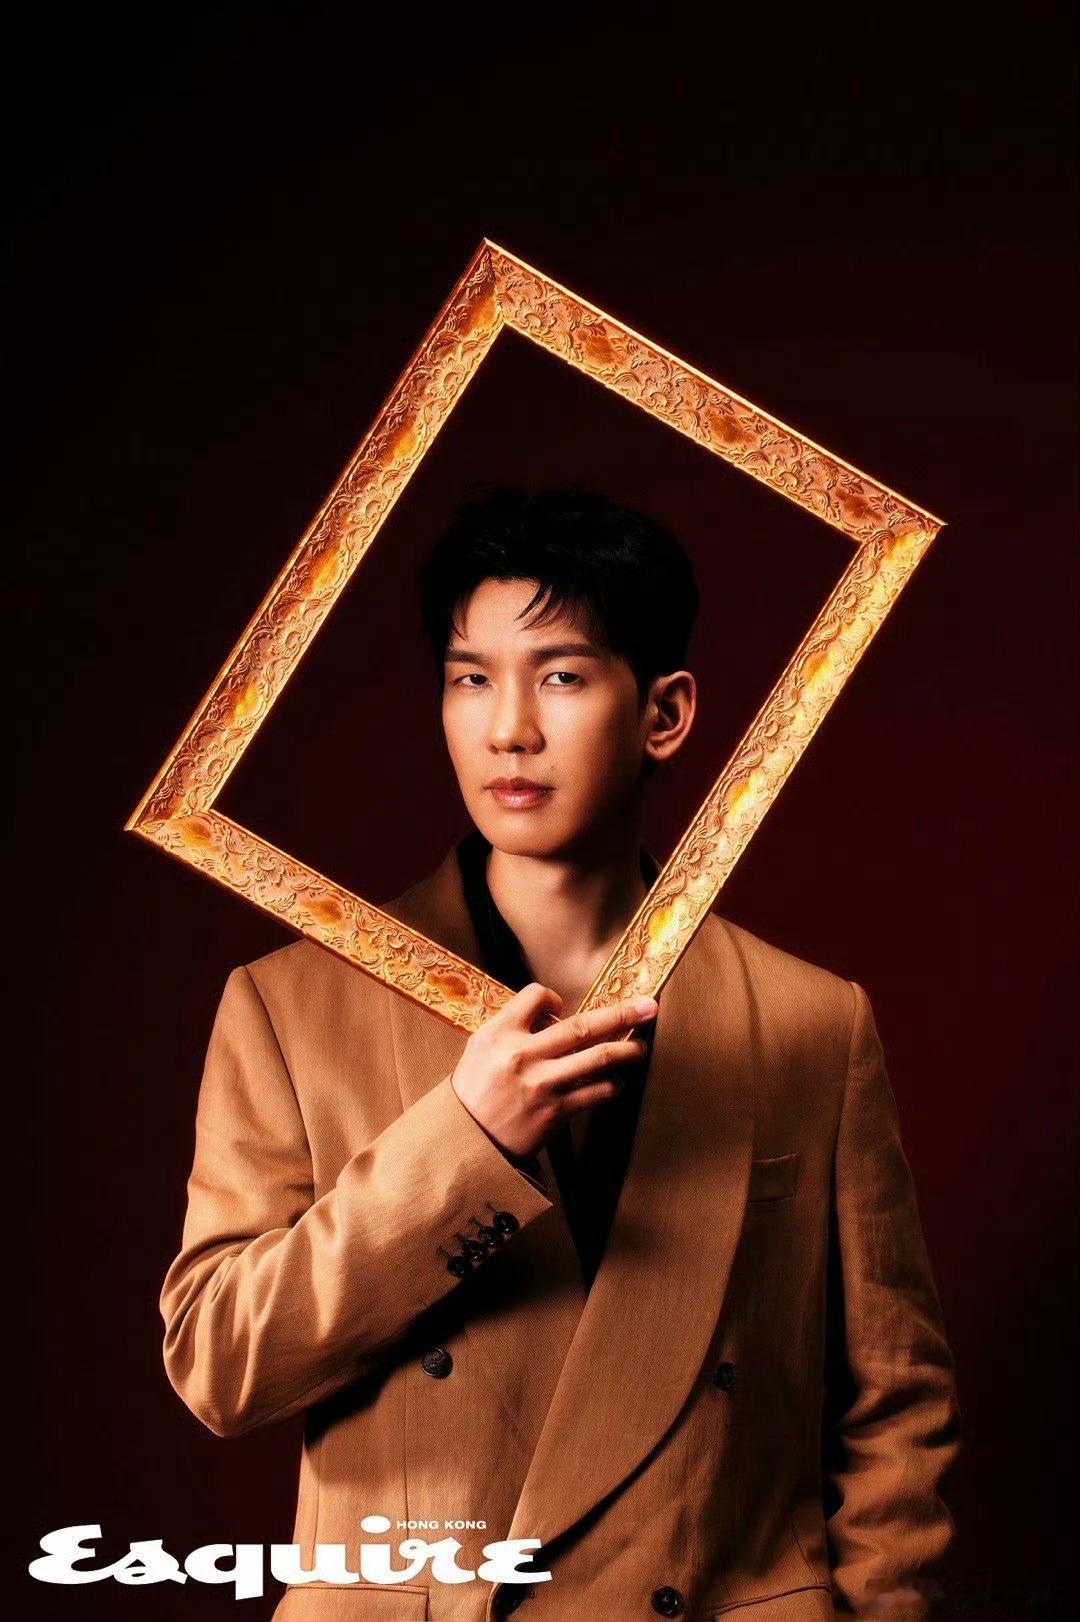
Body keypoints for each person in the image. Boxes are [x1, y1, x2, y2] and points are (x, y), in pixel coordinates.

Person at [160, 486, 961, 1622]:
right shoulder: (290, 1006)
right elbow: (221, 1364)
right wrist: (466, 1145)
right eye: (470, 677)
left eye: (563, 676)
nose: (509, 729)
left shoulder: (810, 1022)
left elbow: (894, 1400)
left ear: (665, 712)